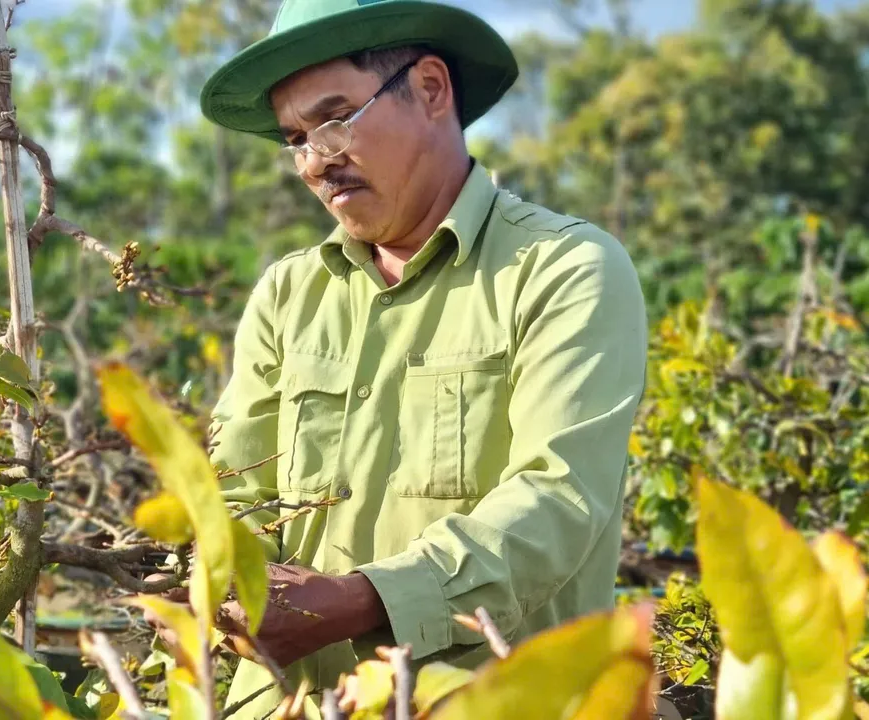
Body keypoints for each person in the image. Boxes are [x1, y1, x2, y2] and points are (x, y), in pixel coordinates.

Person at [188, 0, 649, 716]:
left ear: (431, 89)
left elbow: (557, 501)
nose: (316, 161)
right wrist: (222, 581)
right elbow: (233, 488)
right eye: (295, 138)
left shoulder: (564, 269)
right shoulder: (289, 293)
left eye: (336, 119)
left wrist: (359, 601)